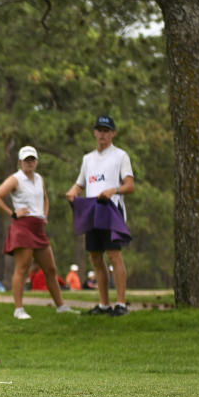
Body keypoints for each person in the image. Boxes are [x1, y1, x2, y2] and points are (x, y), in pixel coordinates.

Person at [0, 145, 77, 319]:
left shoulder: (39, 178)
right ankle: (19, 309)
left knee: (50, 269)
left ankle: (61, 306)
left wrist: (44, 214)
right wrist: (13, 214)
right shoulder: (16, 179)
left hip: (38, 227)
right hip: (22, 227)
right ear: (20, 162)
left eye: (32, 159)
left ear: (36, 161)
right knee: (22, 268)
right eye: (26, 160)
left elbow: (45, 197)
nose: (29, 163)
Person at [66, 115, 135, 316]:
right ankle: (104, 304)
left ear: (113, 133)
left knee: (114, 254)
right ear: (95, 133)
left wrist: (113, 190)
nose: (103, 134)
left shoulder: (120, 156)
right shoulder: (88, 159)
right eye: (99, 130)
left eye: (107, 131)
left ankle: (121, 304)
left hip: (111, 209)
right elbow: (80, 183)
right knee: (96, 257)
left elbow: (130, 185)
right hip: (91, 210)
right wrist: (73, 192)